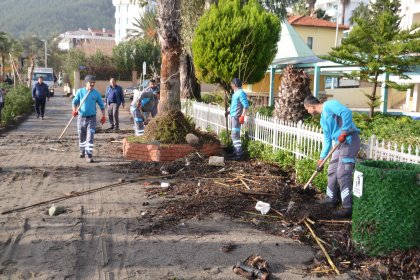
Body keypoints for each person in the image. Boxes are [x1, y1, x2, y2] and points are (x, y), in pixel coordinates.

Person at [303, 95, 361, 219]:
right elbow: (327, 140)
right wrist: (322, 158)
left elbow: (346, 112)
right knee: (332, 171)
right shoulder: (323, 120)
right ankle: (331, 199)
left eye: (307, 109)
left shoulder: (329, 105)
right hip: (338, 143)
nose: (308, 112)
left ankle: (347, 207)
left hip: (349, 141)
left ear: (311, 106)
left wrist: (344, 131)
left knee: (342, 173)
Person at [71, 75, 106, 163]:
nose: (92, 84)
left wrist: (103, 116)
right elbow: (74, 102)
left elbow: (102, 106)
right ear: (86, 83)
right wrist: (74, 110)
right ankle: (82, 150)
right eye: (91, 82)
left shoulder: (96, 93)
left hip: (92, 118)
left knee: (90, 136)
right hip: (81, 118)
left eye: (94, 83)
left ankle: (89, 155)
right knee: (81, 135)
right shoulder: (80, 92)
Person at [225, 78, 249, 161]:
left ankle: (239, 153)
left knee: (235, 134)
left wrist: (242, 116)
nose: (231, 85)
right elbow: (234, 105)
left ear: (235, 85)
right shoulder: (235, 93)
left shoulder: (241, 93)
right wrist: (228, 111)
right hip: (233, 116)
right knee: (234, 134)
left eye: (232, 84)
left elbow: (245, 106)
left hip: (237, 117)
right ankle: (236, 152)